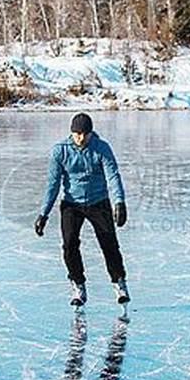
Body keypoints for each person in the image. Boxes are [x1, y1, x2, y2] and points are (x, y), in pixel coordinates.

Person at [34, 113, 130, 307]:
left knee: (109, 244)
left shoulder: (101, 148)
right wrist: (43, 214)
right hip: (72, 204)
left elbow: (113, 176)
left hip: (98, 201)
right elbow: (53, 185)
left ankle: (119, 283)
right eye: (77, 133)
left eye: (85, 134)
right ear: (72, 132)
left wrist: (119, 202)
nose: (81, 138)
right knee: (69, 245)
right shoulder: (60, 151)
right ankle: (78, 285)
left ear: (91, 133)